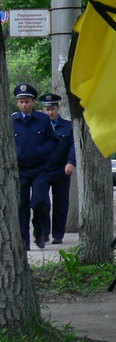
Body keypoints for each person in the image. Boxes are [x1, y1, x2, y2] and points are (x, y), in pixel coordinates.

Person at [12, 83, 57, 250]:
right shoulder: (12, 120)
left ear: (33, 102)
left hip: (40, 169)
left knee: (39, 201)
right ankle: (24, 241)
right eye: (21, 102)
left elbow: (53, 141)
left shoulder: (43, 120)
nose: (24, 105)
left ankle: (40, 233)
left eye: (27, 101)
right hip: (20, 170)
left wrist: (41, 152)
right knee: (21, 205)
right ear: (18, 103)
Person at [40, 93, 76, 244]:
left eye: (52, 109)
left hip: (61, 170)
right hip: (42, 170)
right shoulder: (38, 126)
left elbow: (73, 146)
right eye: (47, 109)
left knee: (61, 203)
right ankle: (43, 232)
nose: (50, 112)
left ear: (57, 108)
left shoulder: (68, 126)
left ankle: (58, 234)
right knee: (41, 202)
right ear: (43, 110)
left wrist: (71, 162)